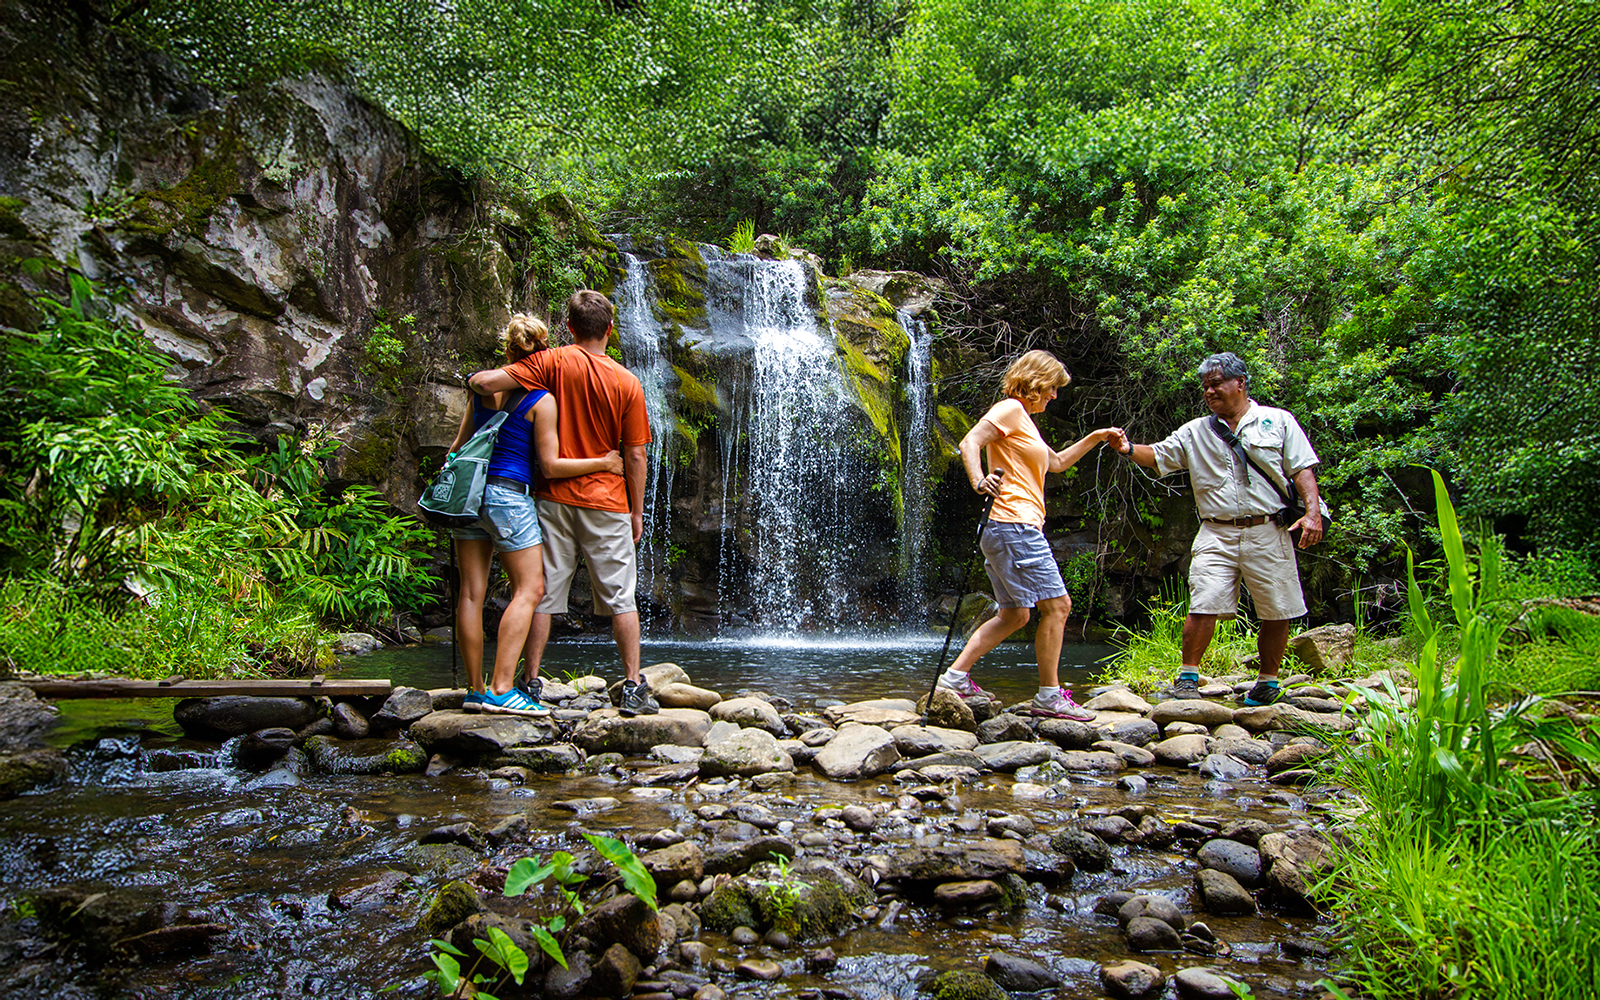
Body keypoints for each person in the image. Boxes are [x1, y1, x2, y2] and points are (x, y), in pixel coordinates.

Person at [467, 290, 657, 716]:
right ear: (610, 329)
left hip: (551, 499)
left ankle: (530, 680)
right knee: (621, 598)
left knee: (542, 595)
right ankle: (631, 685)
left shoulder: (550, 361)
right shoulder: (628, 382)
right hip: (607, 502)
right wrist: (636, 510)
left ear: (568, 328)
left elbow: (487, 383)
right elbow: (636, 454)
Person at [1110, 351, 1324, 706]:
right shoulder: (1195, 431)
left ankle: (1268, 682)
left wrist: (1313, 515)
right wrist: (1128, 448)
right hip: (1216, 531)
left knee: (1277, 607)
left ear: (1239, 384)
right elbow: (1160, 456)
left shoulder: (1278, 421)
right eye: (1205, 386)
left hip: (1269, 528)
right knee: (1203, 600)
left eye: (1216, 384)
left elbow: (1302, 470)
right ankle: (1188, 678)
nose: (1209, 392)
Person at [937, 350, 1124, 720]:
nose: (1055, 396)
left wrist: (1095, 437)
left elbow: (1055, 463)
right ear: (1037, 382)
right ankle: (1049, 697)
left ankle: (955, 677)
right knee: (1058, 606)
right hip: (1013, 525)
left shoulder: (1023, 419)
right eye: (1053, 388)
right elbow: (969, 442)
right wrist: (978, 480)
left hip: (1009, 529)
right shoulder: (1008, 408)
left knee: (1015, 615)